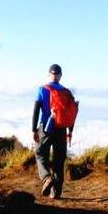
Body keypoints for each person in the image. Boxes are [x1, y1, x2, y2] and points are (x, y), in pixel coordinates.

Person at [33, 63, 77, 199]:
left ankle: (46, 178)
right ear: (60, 75)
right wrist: (70, 132)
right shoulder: (67, 92)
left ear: (48, 74)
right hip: (62, 128)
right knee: (59, 159)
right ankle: (56, 192)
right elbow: (71, 114)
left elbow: (36, 109)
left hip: (46, 127)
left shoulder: (42, 89)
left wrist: (33, 129)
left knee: (40, 154)